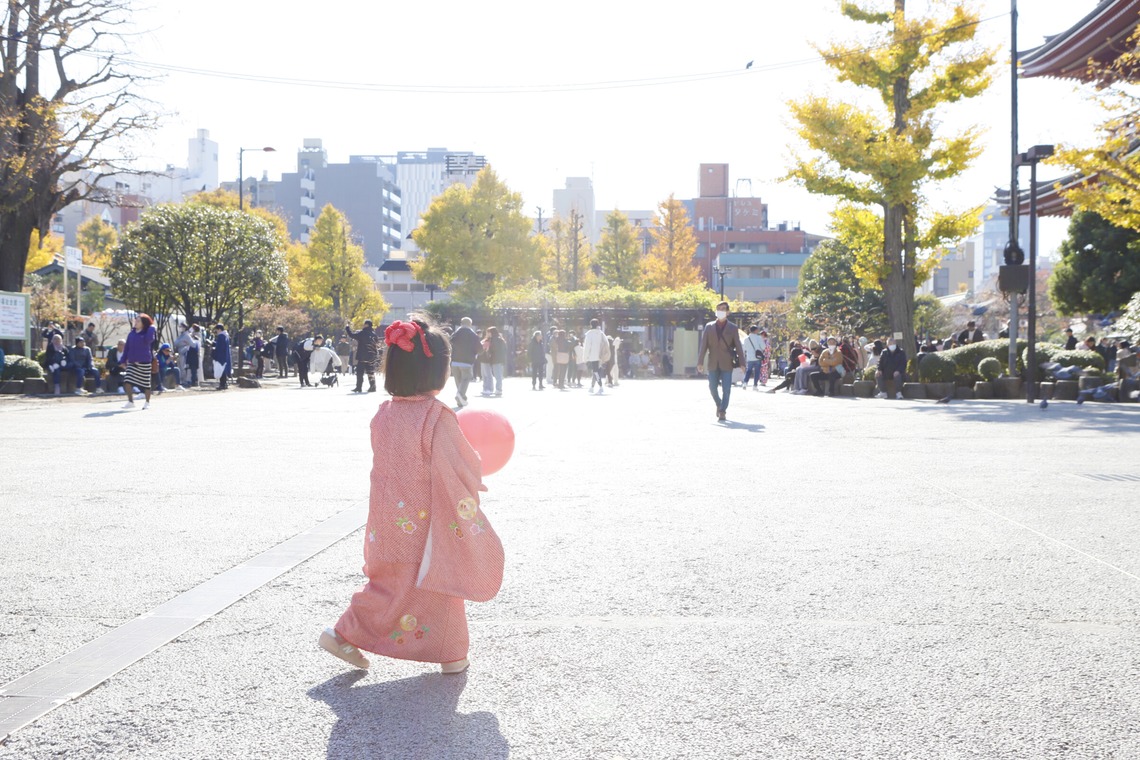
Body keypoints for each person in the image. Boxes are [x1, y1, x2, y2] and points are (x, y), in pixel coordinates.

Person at [321, 315, 504, 675]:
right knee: (439, 583)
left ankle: (341, 633)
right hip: (424, 522)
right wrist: (475, 472)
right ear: (438, 371)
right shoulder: (437, 417)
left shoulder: (383, 414)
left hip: (386, 520)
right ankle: (451, 654)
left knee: (387, 583)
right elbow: (458, 464)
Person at [696, 301, 746, 421]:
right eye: (718, 309)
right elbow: (703, 345)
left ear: (728, 312)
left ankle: (723, 410)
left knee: (727, 389)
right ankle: (719, 404)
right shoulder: (709, 326)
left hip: (727, 362)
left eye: (723, 309)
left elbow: (738, 346)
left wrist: (743, 364)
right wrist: (700, 361)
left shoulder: (733, 328)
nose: (720, 311)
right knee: (712, 387)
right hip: (713, 362)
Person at [121, 314, 157, 410]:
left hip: (144, 362)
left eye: (138, 321)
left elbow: (149, 340)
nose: (136, 322)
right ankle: (130, 401)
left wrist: (151, 327)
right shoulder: (131, 334)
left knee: (146, 384)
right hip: (132, 362)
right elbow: (127, 348)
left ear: (144, 323)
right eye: (135, 320)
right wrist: (123, 360)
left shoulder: (147, 333)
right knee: (127, 381)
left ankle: (147, 402)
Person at [449, 317, 481, 408]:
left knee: (458, 381)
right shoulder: (473, 335)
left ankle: (461, 400)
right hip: (466, 361)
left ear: (461, 323)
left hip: (455, 361)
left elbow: (450, 343)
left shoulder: (455, 334)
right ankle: (460, 395)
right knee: (466, 378)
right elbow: (479, 349)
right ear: (470, 324)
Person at [346, 319, 381, 393]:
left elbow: (352, 335)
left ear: (367, 325)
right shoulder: (374, 334)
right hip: (371, 356)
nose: (363, 325)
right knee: (370, 372)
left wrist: (347, 328)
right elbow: (377, 345)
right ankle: (373, 386)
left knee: (359, 372)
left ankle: (358, 387)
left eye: (364, 324)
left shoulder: (362, 333)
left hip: (362, 356)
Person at [583, 319, 611, 394]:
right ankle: (592, 387)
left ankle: (601, 387)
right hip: (601, 356)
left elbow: (587, 346)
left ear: (591, 325)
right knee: (596, 372)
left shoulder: (589, 334)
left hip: (593, 356)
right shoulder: (601, 333)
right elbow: (606, 343)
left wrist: (585, 357)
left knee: (595, 372)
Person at [481, 326, 507, 397]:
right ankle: (498, 389)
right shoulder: (499, 339)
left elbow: (494, 349)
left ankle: (499, 389)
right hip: (497, 360)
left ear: (491, 332)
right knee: (497, 375)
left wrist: (489, 351)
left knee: (497, 375)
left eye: (488, 332)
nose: (488, 334)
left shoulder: (495, 340)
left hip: (496, 360)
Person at [741, 325, 766, 389]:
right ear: (755, 330)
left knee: (748, 371)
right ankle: (755, 385)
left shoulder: (746, 338)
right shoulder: (759, 338)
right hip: (757, 357)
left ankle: (745, 383)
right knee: (757, 371)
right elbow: (763, 347)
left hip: (749, 357)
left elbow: (745, 348)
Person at [212, 323, 232, 391]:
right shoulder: (226, 335)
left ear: (219, 329)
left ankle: (222, 384)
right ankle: (224, 384)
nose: (216, 332)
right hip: (225, 355)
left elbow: (219, 347)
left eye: (217, 330)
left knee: (221, 370)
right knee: (224, 370)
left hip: (221, 356)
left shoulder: (221, 336)